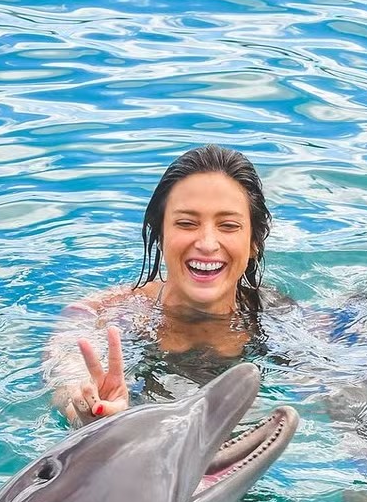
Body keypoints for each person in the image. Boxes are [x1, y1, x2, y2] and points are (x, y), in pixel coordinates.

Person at [47, 144, 274, 427]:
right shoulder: (102, 315)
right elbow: (70, 377)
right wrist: (92, 412)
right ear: (160, 234)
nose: (206, 244)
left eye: (228, 226)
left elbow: (332, 391)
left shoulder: (279, 317)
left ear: (254, 242)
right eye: (186, 223)